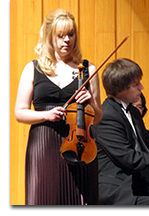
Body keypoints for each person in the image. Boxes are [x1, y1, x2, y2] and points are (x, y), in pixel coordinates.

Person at [14, 9, 102, 205]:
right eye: (60, 36)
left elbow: (98, 117)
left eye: (71, 34)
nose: (67, 40)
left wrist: (90, 103)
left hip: (80, 144)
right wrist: (46, 115)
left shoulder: (88, 69)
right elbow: (19, 113)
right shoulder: (33, 69)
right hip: (44, 144)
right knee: (44, 199)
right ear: (49, 37)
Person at [93, 58, 149, 205]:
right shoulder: (106, 115)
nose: (141, 87)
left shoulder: (133, 112)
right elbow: (128, 158)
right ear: (121, 89)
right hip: (118, 187)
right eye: (136, 85)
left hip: (138, 181)